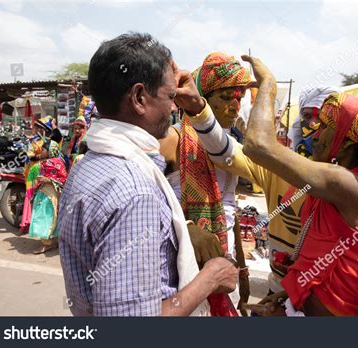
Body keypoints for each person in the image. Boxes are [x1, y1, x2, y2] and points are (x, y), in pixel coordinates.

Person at [58, 32, 237, 317]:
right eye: (169, 96)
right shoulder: (134, 189)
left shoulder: (88, 165)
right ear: (140, 98)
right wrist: (210, 279)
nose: (175, 106)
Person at [234, 56, 358, 316]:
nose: (316, 134)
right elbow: (324, 255)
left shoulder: (347, 184)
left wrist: (268, 87)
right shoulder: (342, 181)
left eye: (326, 126)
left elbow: (257, 145)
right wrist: (287, 298)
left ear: (347, 141)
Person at [185, 86, 338, 299]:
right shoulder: (278, 168)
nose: (313, 125)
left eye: (324, 120)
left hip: (322, 305)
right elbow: (227, 151)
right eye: (307, 116)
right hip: (275, 296)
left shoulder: (350, 186)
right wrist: (198, 109)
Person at [158, 52, 250, 314]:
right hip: (183, 275)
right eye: (225, 97)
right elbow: (140, 199)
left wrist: (241, 274)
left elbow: (228, 213)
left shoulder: (232, 149)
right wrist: (186, 227)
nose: (234, 106)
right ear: (203, 101)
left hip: (222, 268)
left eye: (239, 98)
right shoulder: (173, 140)